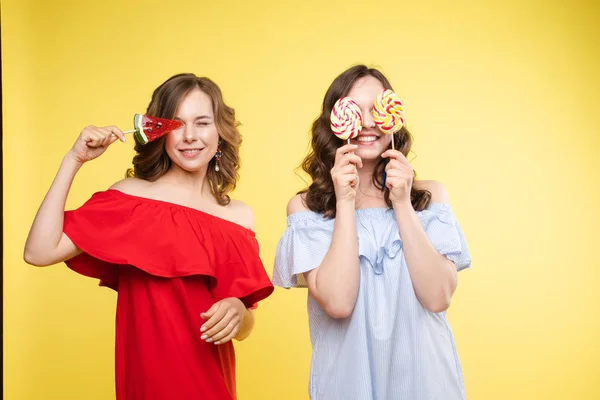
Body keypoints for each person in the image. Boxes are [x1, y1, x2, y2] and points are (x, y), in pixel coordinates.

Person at [24, 73, 274, 400]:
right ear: (160, 133)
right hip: (148, 384)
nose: (189, 136)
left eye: (202, 123)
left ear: (219, 132)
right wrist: (73, 161)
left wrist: (239, 314)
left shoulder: (239, 217)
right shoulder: (130, 199)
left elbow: (245, 326)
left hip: (213, 384)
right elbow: (39, 251)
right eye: (176, 124)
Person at [273, 65, 472, 400]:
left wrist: (403, 204)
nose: (367, 123)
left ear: (393, 116)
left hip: (426, 383)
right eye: (355, 110)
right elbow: (338, 302)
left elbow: (439, 297)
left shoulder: (430, 198)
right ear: (334, 122)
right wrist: (345, 200)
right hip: (348, 384)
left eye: (377, 109)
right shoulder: (307, 209)